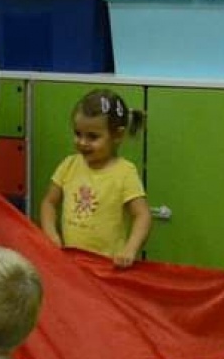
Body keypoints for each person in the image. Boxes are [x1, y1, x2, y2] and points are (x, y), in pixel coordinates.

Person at [38, 89, 151, 267]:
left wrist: (130, 248)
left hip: (108, 268)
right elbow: (49, 203)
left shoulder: (125, 172)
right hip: (72, 264)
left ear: (118, 135)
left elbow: (142, 215)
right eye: (77, 133)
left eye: (92, 137)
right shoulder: (69, 165)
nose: (82, 142)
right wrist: (51, 235)